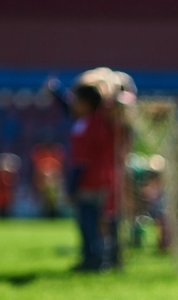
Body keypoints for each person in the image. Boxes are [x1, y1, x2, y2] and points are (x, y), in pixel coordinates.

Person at [47, 75, 112, 271]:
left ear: (85, 104)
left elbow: (81, 161)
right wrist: (57, 91)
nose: (72, 103)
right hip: (100, 181)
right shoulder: (95, 121)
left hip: (89, 182)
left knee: (88, 223)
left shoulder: (86, 126)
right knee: (95, 222)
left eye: (75, 100)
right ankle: (97, 258)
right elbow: (68, 107)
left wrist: (71, 187)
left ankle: (92, 259)